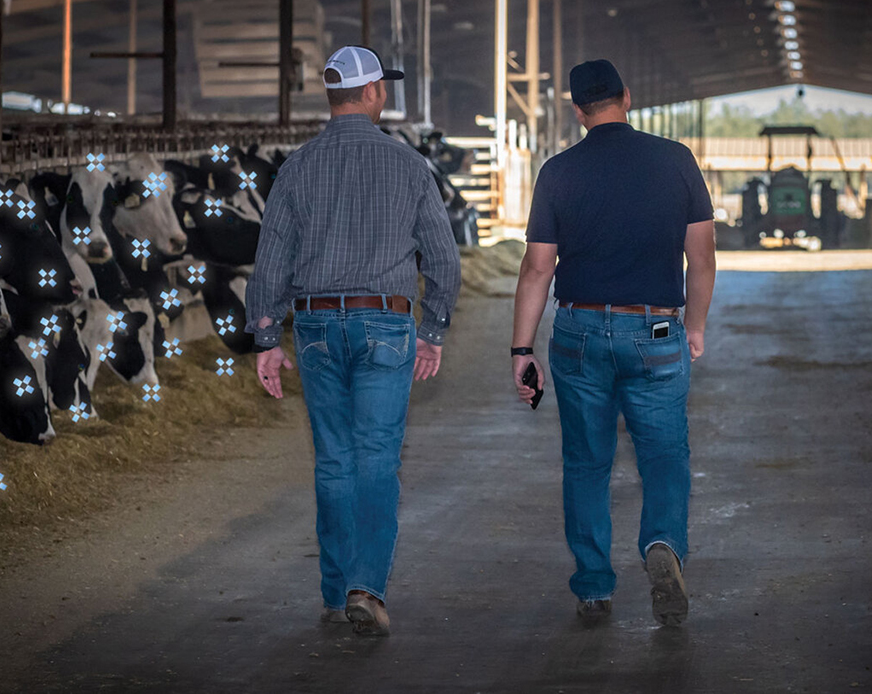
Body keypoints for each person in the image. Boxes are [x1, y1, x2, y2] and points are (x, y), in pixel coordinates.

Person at [244, 45, 462, 636]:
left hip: (314, 325)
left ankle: (337, 591)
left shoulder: (296, 167)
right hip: (387, 323)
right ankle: (368, 587)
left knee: (334, 459)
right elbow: (444, 258)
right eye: (382, 87)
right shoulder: (410, 165)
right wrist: (434, 329)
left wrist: (266, 337)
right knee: (377, 459)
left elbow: (270, 262)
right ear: (371, 94)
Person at [509, 59, 717, 626]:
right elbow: (701, 258)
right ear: (628, 96)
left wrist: (521, 350)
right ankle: (663, 545)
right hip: (654, 327)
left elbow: (536, 269)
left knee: (586, 461)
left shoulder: (558, 172)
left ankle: (595, 587)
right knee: (665, 454)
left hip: (578, 332)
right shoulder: (676, 161)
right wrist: (694, 325)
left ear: (577, 110)